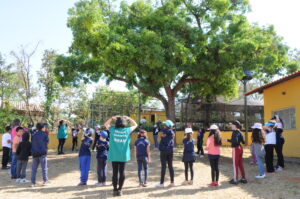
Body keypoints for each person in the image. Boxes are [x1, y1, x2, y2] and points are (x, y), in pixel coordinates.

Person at [105, 115, 138, 197]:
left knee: (115, 172)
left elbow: (106, 124)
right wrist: (129, 118)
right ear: (124, 123)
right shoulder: (127, 130)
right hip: (123, 155)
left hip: (114, 155)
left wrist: (112, 118)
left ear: (116, 123)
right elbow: (135, 125)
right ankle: (120, 190)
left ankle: (114, 189)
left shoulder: (112, 130)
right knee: (122, 172)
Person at [223, 120, 247, 185]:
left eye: (232, 125)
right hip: (240, 148)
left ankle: (235, 179)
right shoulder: (239, 132)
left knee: (235, 164)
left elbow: (235, 140)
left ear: (235, 126)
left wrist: (226, 140)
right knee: (240, 164)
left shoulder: (235, 132)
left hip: (236, 149)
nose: (231, 126)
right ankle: (243, 178)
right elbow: (243, 142)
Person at [156, 120, 175, 188]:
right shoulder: (172, 132)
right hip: (170, 150)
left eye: (164, 124)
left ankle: (161, 183)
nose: (163, 125)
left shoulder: (165, 130)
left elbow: (161, 135)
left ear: (166, 125)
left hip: (164, 150)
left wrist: (162, 134)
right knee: (170, 166)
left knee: (163, 167)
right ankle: (172, 182)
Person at [31, 123, 50, 187]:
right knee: (44, 168)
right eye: (44, 127)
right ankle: (45, 181)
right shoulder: (45, 135)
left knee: (34, 169)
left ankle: (33, 182)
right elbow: (47, 142)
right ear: (42, 128)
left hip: (35, 154)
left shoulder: (34, 135)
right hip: (42, 153)